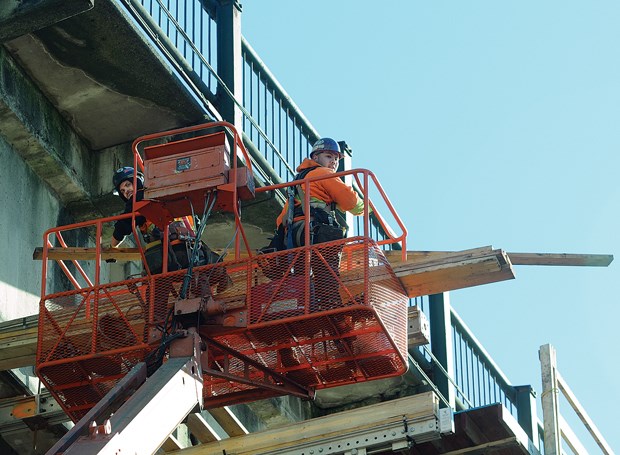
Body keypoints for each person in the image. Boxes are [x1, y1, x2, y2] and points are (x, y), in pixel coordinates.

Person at [275, 137, 366, 309]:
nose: (333, 162)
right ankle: (331, 306)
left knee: (303, 275)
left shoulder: (298, 181)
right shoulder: (323, 174)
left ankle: (305, 306)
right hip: (314, 233)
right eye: (328, 156)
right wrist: (367, 208)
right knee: (327, 270)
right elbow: (351, 203)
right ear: (315, 158)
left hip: (294, 236)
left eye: (336, 159)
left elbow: (281, 219)